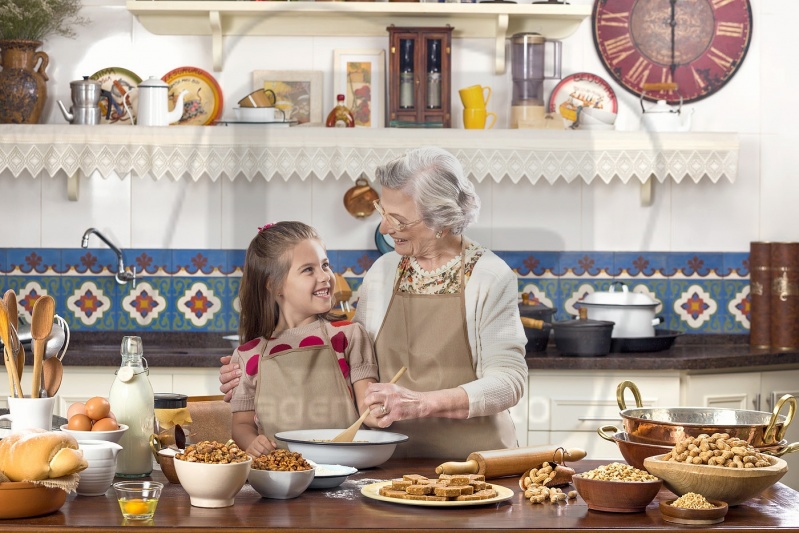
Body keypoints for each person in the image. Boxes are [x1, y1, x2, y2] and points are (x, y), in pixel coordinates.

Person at [220, 147, 527, 458]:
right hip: (388, 465)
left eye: (398, 220)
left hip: (475, 463)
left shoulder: (490, 277)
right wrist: (253, 370)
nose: (384, 228)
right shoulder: (383, 272)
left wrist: (420, 404)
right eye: (383, 212)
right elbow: (346, 359)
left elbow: (508, 382)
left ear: (441, 221)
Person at [228, 221, 379, 457]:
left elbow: (368, 410)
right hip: (283, 474)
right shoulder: (248, 355)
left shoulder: (348, 336)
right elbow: (242, 425)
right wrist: (252, 443)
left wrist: (382, 411)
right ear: (275, 285)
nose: (325, 276)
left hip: (348, 470)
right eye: (308, 269)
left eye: (325, 265)